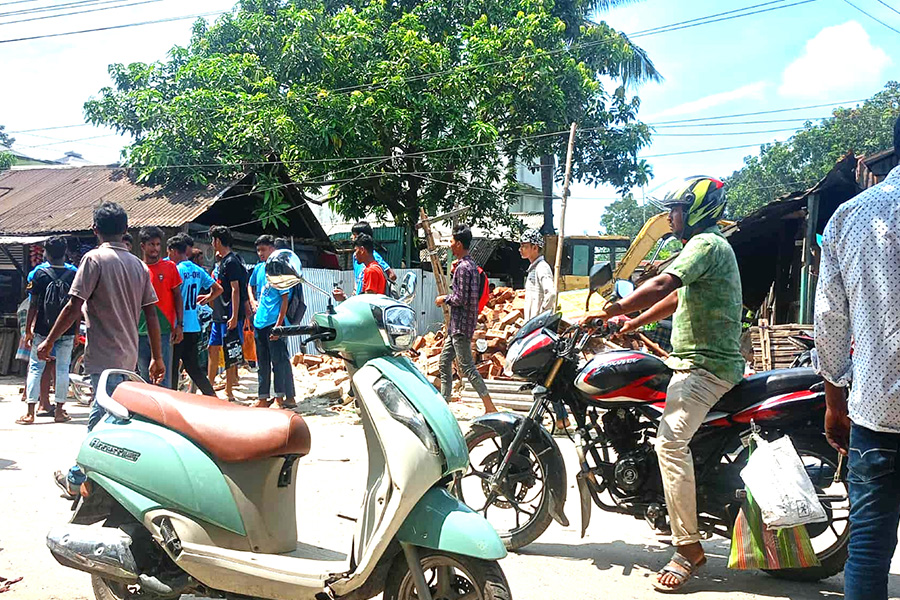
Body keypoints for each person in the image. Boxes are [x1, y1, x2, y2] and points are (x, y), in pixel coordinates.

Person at [582, 176, 742, 592]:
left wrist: (612, 308)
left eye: (675, 210)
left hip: (705, 366)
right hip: (690, 362)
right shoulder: (704, 248)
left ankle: (687, 548)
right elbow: (676, 299)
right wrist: (632, 322)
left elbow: (662, 284)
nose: (670, 218)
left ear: (696, 211)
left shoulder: (706, 244)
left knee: (669, 442)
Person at [814, 117, 900, 600]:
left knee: (868, 548)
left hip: (876, 414)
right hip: (873, 414)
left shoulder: (850, 216)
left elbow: (828, 321)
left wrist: (833, 401)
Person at [40, 202, 163, 497]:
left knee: (99, 422)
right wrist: (157, 357)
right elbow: (151, 314)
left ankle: (77, 479)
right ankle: (97, 479)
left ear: (95, 229)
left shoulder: (94, 259)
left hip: (103, 359)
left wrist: (49, 340)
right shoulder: (138, 265)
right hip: (129, 356)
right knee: (116, 419)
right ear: (126, 230)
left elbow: (73, 306)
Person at [17, 236, 79, 424]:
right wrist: (76, 331)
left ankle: (30, 413)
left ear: (46, 252)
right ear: (65, 252)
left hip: (42, 330)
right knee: (62, 369)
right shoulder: (74, 274)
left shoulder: (39, 274)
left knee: (36, 368)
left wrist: (28, 330)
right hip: (66, 331)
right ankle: (60, 411)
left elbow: (33, 305)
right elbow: (76, 307)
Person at [436, 225, 498, 414]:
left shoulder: (463, 268)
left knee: (467, 367)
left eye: (452, 241)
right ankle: (443, 405)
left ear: (459, 244)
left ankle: (490, 406)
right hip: (460, 326)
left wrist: (443, 299)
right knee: (444, 362)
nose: (450, 245)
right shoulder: (471, 266)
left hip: (460, 326)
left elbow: (460, 298)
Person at [518, 228, 565, 428]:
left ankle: (549, 418)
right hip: (534, 330)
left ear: (535, 248)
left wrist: (540, 320)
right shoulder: (534, 268)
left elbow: (551, 294)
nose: (521, 249)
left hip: (538, 330)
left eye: (524, 246)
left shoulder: (542, 268)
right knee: (544, 378)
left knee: (542, 376)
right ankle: (560, 419)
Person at [168, 234, 222, 396]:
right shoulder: (197, 270)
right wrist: (206, 299)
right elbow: (218, 289)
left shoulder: (175, 270)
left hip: (178, 325)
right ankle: (211, 396)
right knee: (193, 367)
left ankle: (172, 399)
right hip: (194, 326)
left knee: (172, 366)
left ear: (174, 251)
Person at [250, 237, 296, 409]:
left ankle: (280, 398)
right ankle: (263, 398)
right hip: (259, 322)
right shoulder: (259, 269)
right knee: (262, 363)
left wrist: (278, 325)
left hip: (274, 323)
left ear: (272, 249)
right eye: (258, 250)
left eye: (264, 250)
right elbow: (250, 284)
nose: (261, 254)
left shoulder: (279, 271)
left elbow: (285, 299)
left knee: (278, 362)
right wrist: (252, 301)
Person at [207, 225, 250, 402]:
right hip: (219, 314)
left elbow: (235, 290)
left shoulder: (232, 261)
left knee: (231, 349)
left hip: (229, 315)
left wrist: (233, 315)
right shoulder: (224, 261)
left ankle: (229, 390)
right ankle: (208, 387)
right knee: (213, 348)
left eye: (212, 240)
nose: (212, 243)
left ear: (217, 241)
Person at [137, 226, 183, 388]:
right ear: (143, 246)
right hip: (140, 330)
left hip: (164, 330)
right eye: (151, 244)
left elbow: (178, 296)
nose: (155, 248)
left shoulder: (170, 267)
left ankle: (164, 412)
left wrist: (180, 325)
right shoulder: (137, 268)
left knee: (163, 378)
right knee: (144, 377)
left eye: (157, 244)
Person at [333, 221, 396, 301]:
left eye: (354, 235)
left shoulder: (371, 268)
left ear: (362, 249)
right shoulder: (365, 262)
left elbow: (368, 301)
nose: (351, 237)